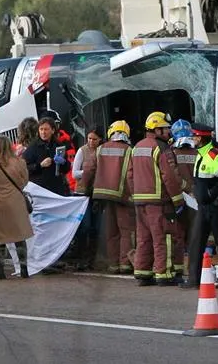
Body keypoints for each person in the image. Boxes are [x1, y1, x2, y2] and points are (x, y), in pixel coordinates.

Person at [129, 112, 186, 286]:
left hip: (140, 202)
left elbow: (130, 176)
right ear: (157, 129)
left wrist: (135, 195)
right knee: (164, 237)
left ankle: (142, 272)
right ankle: (164, 274)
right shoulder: (162, 149)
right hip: (159, 202)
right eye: (166, 129)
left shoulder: (137, 147)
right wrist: (178, 200)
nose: (169, 132)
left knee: (144, 238)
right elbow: (169, 177)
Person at [183, 123, 218, 289]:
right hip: (203, 207)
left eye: (194, 136)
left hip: (215, 208)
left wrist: (211, 194)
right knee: (196, 242)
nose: (192, 139)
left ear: (200, 138)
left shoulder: (215, 156)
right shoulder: (201, 154)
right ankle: (194, 279)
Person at [84, 120, 135, 275]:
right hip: (123, 197)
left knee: (111, 231)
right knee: (126, 231)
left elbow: (88, 170)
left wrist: (85, 190)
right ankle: (125, 264)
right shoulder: (129, 150)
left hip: (104, 197)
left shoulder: (100, 149)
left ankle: (113, 265)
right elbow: (132, 175)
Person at [0, 135, 33, 280]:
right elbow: (25, 181)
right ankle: (24, 269)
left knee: (0, 237)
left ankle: (0, 271)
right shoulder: (20, 162)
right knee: (19, 237)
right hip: (16, 202)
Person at [71, 125, 103, 270]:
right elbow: (74, 173)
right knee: (85, 226)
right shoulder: (82, 151)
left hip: (97, 192)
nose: (91, 142)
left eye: (94, 139)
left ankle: (92, 259)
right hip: (83, 193)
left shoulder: (102, 151)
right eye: (89, 138)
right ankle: (80, 257)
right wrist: (88, 171)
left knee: (95, 228)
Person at [168, 119, 196, 282]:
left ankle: (181, 265)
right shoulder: (198, 151)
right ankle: (195, 265)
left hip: (179, 198)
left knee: (179, 233)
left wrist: (186, 189)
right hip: (197, 198)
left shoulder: (172, 152)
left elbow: (173, 176)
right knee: (197, 233)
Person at [22, 117, 71, 196]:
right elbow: (24, 168)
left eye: (46, 129)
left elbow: (66, 169)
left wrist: (63, 162)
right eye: (41, 129)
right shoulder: (33, 147)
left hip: (56, 189)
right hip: (39, 190)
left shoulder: (59, 145)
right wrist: (40, 165)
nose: (43, 132)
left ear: (53, 130)